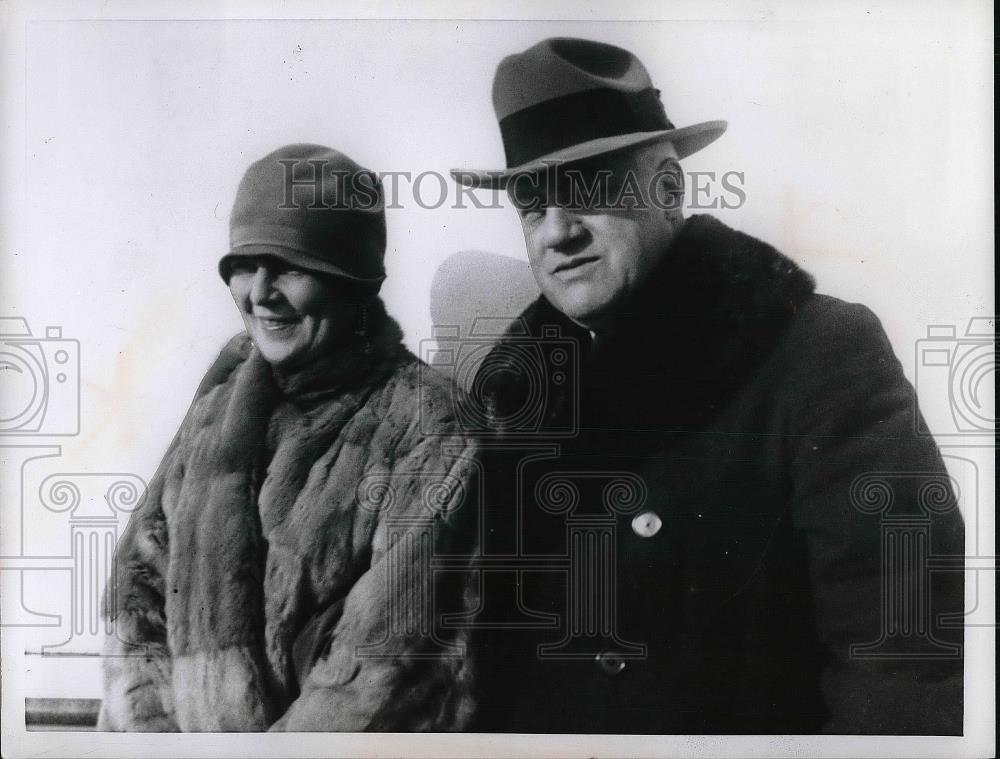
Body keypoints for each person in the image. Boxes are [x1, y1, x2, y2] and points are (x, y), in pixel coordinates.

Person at [450, 37, 965, 734]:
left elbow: (903, 654)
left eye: (592, 189)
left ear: (669, 187)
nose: (558, 232)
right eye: (532, 206)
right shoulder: (514, 395)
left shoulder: (817, 356)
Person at [99, 144, 477, 731]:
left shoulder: (427, 427)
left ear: (353, 282)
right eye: (246, 265)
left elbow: (383, 676)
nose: (261, 292)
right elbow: (136, 599)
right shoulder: (217, 412)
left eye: (291, 265)